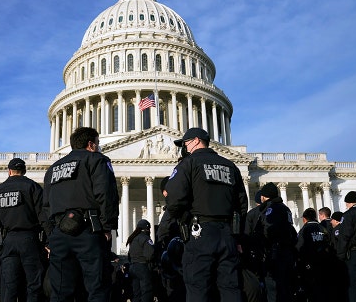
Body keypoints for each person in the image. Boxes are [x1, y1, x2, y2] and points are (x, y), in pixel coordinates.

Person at [165, 127, 248, 302]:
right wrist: (237, 236)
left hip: (200, 233)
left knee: (198, 289)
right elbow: (242, 205)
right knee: (231, 288)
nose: (184, 148)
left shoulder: (188, 163)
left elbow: (173, 199)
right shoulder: (230, 166)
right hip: (227, 234)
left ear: (195, 141)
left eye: (185, 144)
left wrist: (184, 220)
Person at [42, 127, 119, 302]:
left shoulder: (53, 169)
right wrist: (107, 227)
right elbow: (106, 195)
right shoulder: (96, 160)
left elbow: (45, 206)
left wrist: (51, 235)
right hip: (88, 231)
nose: (99, 147)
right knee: (97, 288)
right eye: (98, 144)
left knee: (61, 291)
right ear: (91, 144)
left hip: (59, 234)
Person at [0, 157, 49, 301]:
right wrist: (49, 242)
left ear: (9, 171)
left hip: (8, 241)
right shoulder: (33, 187)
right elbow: (44, 217)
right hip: (30, 239)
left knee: (9, 287)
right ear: (24, 171)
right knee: (34, 285)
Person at [257, 182, 297, 302]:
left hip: (274, 252)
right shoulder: (285, 208)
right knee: (286, 287)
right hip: (287, 252)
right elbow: (293, 232)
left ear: (264, 196)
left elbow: (268, 230)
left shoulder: (270, 209)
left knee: (273, 288)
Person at [296, 208, 332, 302]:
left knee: (311, 289)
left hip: (310, 263)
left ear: (305, 219)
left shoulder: (305, 230)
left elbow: (299, 247)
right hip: (324, 262)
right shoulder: (322, 228)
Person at [127, 219, 155, 302]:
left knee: (137, 293)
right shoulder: (145, 238)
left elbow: (129, 255)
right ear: (146, 228)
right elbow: (150, 254)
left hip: (133, 267)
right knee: (147, 291)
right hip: (142, 267)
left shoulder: (133, 239)